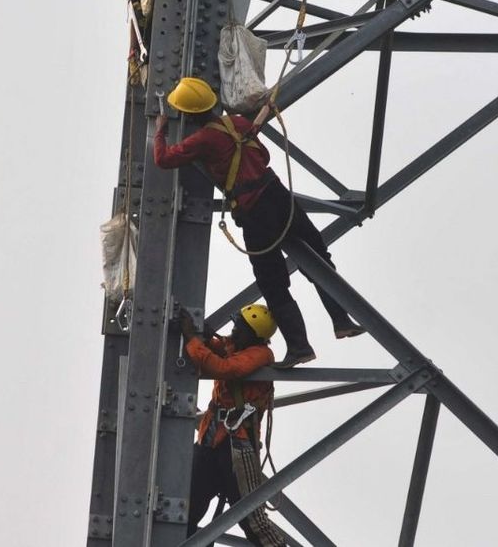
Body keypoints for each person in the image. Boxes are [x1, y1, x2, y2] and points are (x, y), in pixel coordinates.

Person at [154, 77, 365, 368]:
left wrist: (160, 130)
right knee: (319, 257)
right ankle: (341, 320)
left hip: (254, 210)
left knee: (273, 283)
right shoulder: (239, 123)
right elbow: (263, 154)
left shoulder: (202, 140)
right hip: (278, 195)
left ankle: (300, 347)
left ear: (188, 114)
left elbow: (163, 159)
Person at [180, 305, 287, 547]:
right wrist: (204, 337)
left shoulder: (260, 355)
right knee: (188, 507)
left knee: (252, 520)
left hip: (237, 446)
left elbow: (224, 368)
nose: (234, 331)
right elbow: (219, 350)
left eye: (240, 328)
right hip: (212, 440)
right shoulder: (237, 346)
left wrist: (191, 338)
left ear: (253, 335)